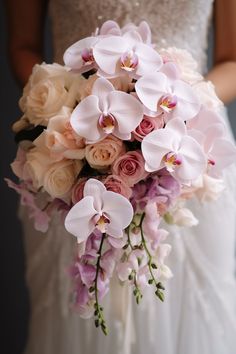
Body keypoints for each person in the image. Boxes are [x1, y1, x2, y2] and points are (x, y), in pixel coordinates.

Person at [5, 0, 236, 353]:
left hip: (189, 152)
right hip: (71, 151)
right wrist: (71, 105)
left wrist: (176, 113)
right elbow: (23, 46)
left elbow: (231, 59)